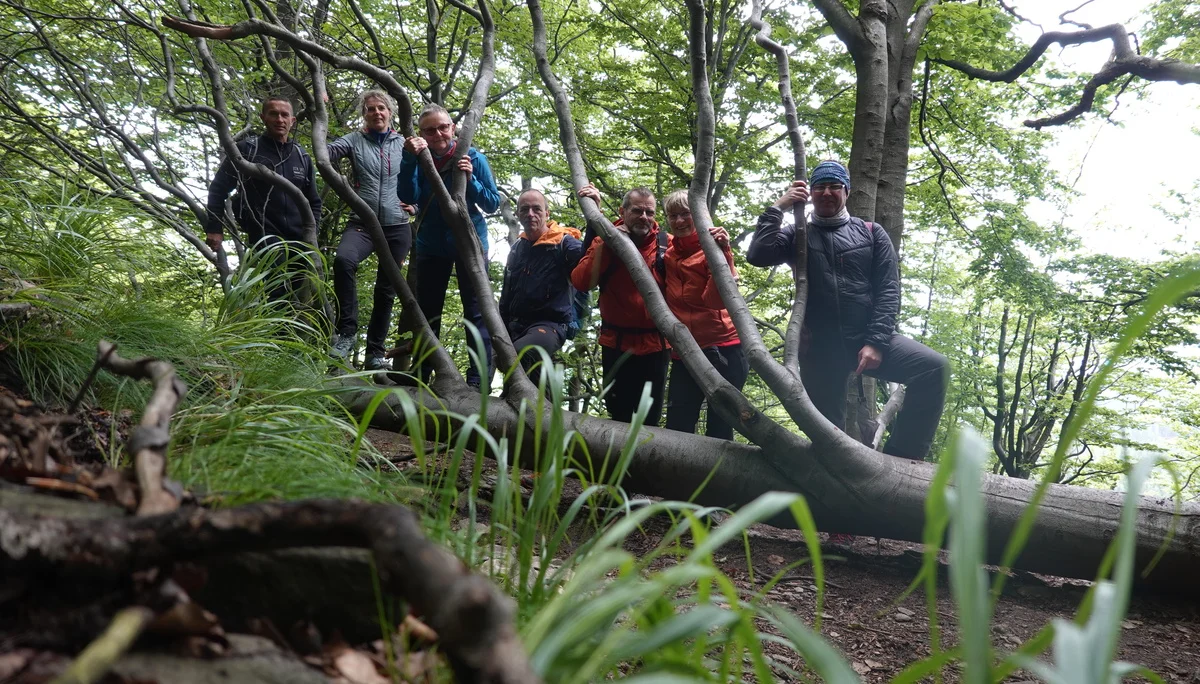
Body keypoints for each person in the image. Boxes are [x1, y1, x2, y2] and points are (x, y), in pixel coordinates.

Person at [746, 160, 949, 460]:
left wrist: (876, 342)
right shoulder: (797, 234)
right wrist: (779, 206)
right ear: (810, 193)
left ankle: (902, 460)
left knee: (934, 368)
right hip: (819, 348)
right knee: (830, 438)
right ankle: (832, 499)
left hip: (867, 338)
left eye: (834, 186)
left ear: (847, 191)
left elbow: (889, 290)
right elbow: (758, 255)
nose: (827, 193)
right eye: (819, 187)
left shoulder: (871, 233)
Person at [399, 104, 502, 388]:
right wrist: (409, 161)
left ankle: (478, 380)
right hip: (432, 244)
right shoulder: (417, 158)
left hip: (469, 242)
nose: (438, 134)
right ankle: (421, 373)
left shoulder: (473, 157)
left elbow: (492, 203)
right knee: (428, 310)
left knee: (476, 310)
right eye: (430, 130)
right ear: (422, 134)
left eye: (443, 127)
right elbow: (408, 195)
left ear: (452, 128)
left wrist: (471, 181)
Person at [328, 89, 416, 370]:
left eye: (381, 108)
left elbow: (425, 175)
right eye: (370, 109)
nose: (376, 113)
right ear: (364, 114)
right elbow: (326, 154)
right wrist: (343, 184)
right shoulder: (355, 139)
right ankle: (347, 333)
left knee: (386, 289)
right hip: (362, 223)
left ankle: (375, 354)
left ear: (390, 112)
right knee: (343, 260)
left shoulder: (403, 143)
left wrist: (415, 203)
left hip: (397, 226)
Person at [570, 183, 670, 426]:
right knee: (619, 415)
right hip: (616, 344)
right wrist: (609, 244)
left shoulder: (667, 245)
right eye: (637, 211)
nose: (644, 217)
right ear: (622, 211)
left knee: (649, 420)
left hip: (655, 347)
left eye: (650, 212)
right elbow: (581, 281)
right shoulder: (605, 240)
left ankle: (645, 464)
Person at [205, 97, 322, 301]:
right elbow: (218, 189)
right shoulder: (248, 150)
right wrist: (214, 228)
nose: (279, 119)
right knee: (277, 290)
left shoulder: (301, 156)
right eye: (273, 114)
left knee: (300, 295)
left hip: (299, 238)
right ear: (263, 118)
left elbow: (314, 201)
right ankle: (278, 333)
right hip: (264, 234)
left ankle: (289, 332)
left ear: (292, 120)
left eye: (284, 115)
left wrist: (313, 235)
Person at [659, 190, 747, 440]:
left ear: (698, 215)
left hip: (725, 348)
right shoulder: (668, 251)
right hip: (685, 350)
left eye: (685, 214)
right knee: (678, 423)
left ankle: (719, 480)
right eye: (673, 215)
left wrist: (724, 255)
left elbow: (716, 301)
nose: (679, 221)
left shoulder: (713, 247)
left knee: (721, 425)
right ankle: (680, 477)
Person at [498, 189, 586, 369]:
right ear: (518, 214)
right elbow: (507, 294)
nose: (530, 214)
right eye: (525, 209)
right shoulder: (517, 249)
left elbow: (589, 263)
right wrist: (500, 327)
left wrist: (594, 223)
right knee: (529, 379)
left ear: (547, 213)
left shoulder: (564, 243)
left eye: (536, 209)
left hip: (551, 325)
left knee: (518, 356)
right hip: (515, 326)